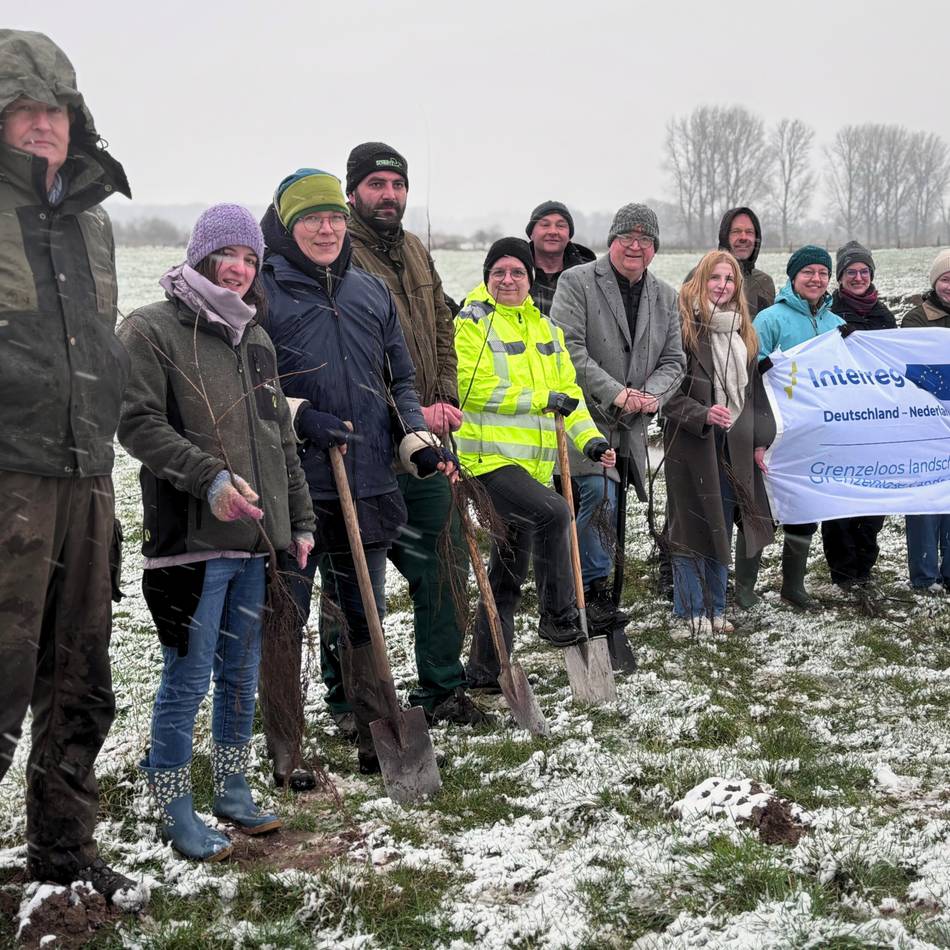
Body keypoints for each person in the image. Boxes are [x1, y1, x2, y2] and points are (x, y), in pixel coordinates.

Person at [117, 205, 316, 860]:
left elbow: (279, 441)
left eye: (251, 259)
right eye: (227, 254)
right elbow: (139, 425)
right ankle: (173, 801)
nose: (239, 269)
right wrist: (210, 481)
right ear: (201, 257)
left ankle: (233, 789)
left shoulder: (254, 340)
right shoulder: (150, 330)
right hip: (191, 544)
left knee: (239, 673)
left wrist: (300, 520)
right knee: (188, 676)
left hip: (255, 547)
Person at [0, 29, 144, 907]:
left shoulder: (93, 222)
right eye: (25, 109)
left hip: (88, 476)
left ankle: (62, 847)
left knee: (81, 672)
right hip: (6, 476)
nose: (43, 125)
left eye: (55, 110)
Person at [259, 168, 458, 775]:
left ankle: (377, 730)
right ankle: (286, 745)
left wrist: (416, 441)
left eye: (334, 219)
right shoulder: (264, 292)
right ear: (291, 226)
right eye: (312, 219)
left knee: (362, 608)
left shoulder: (371, 292)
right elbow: (249, 383)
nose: (326, 229)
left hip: (366, 476)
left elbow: (399, 379)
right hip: (294, 485)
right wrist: (300, 416)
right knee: (287, 613)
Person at [337, 141, 487, 728]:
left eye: (397, 185)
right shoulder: (339, 253)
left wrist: (444, 396)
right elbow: (350, 356)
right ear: (354, 192)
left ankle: (442, 686)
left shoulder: (418, 251)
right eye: (376, 185)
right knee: (354, 574)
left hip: (424, 445)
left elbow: (442, 328)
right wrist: (412, 411)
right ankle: (351, 700)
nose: (389, 195)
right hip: (367, 446)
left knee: (445, 556)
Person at [456, 238, 616, 690]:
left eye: (517, 273)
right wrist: (541, 399)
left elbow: (570, 395)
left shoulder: (547, 329)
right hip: (486, 462)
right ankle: (557, 614)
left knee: (507, 567)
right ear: (487, 277)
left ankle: (485, 672)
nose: (508, 280)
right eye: (499, 272)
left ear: (530, 278)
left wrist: (589, 440)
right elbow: (473, 389)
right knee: (554, 512)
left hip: (532, 468)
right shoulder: (472, 323)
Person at [550, 203, 686, 631]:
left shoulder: (666, 296)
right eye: (627, 238)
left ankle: (590, 583)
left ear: (654, 248)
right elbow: (567, 348)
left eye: (645, 240)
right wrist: (616, 393)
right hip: (583, 418)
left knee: (613, 505)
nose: (635, 246)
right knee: (599, 493)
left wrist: (651, 396)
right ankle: (588, 589)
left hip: (633, 427)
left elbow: (674, 360)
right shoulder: (577, 283)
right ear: (612, 241)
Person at [663, 251, 775, 635]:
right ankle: (689, 611)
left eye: (729, 280)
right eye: (715, 278)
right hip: (693, 446)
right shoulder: (682, 330)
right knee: (691, 526)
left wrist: (761, 441)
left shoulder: (745, 334)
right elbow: (666, 393)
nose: (722, 286)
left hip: (735, 448)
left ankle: (716, 607)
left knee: (723, 525)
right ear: (700, 282)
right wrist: (701, 413)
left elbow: (757, 396)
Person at [753, 245, 845, 609]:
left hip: (817, 432)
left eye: (823, 273)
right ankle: (746, 585)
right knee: (762, 509)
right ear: (793, 277)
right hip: (778, 429)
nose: (816, 279)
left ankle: (793, 584)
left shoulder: (835, 324)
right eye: (808, 272)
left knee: (805, 509)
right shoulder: (771, 319)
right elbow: (752, 372)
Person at [821, 242, 896, 590]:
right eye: (851, 272)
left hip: (878, 419)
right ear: (840, 278)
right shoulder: (829, 314)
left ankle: (865, 565)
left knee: (874, 494)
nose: (858, 277)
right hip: (840, 417)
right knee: (840, 496)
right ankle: (843, 570)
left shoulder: (884, 316)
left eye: (864, 271)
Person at [901, 248, 950, 593]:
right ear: (935, 282)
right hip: (926, 424)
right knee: (924, 500)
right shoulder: (917, 319)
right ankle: (924, 575)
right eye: (946, 279)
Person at [524, 200, 595, 315]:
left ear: (569, 235)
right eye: (545, 225)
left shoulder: (589, 276)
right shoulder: (513, 273)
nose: (553, 231)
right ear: (531, 233)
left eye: (560, 226)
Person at [717, 207, 776, 317]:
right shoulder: (700, 277)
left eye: (749, 232)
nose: (743, 237)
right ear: (725, 236)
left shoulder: (764, 283)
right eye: (736, 231)